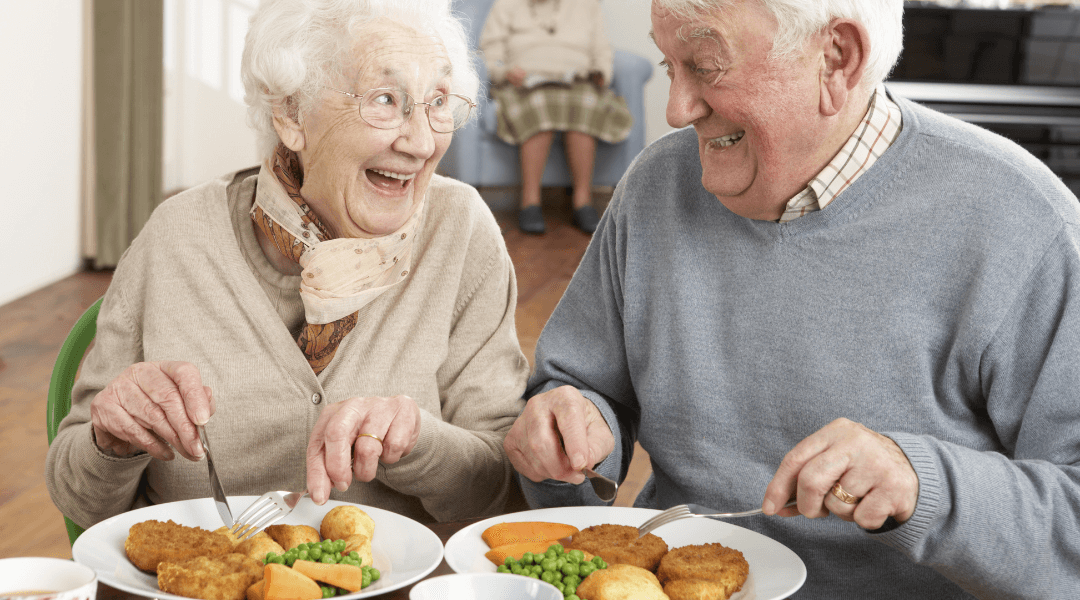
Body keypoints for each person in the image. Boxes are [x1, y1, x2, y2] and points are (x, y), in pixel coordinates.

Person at [503, 0, 1080, 597]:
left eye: (706, 65)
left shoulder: (1024, 223)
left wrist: (922, 485)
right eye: (669, 64)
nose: (676, 109)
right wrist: (570, 433)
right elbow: (581, 387)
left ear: (836, 58)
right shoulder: (654, 186)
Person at [46, 0, 531, 529]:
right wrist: (111, 441)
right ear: (291, 114)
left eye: (438, 102)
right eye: (385, 100)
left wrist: (419, 442)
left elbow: (504, 494)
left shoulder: (459, 231)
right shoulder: (177, 236)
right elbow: (81, 498)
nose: (420, 143)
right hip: (201, 572)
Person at [479, 0, 633, 235]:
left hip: (576, 81)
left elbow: (602, 49)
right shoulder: (506, 5)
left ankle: (583, 202)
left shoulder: (588, 5)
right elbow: (490, 53)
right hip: (524, 84)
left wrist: (601, 73)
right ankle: (530, 202)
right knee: (540, 105)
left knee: (584, 105)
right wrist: (504, 71)